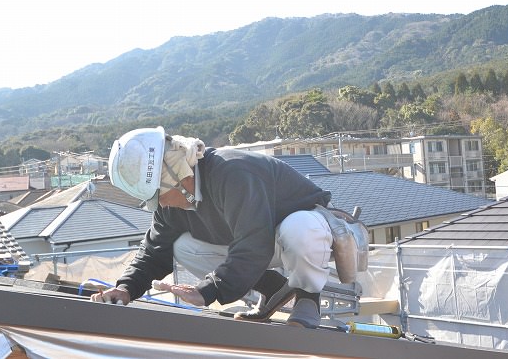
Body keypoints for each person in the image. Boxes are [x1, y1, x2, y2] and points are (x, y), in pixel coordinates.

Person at [91, 126, 334, 328]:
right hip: (257, 242)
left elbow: (254, 241)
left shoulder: (232, 172)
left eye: (158, 194)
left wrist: (208, 290)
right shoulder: (171, 205)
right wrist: (126, 288)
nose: (161, 203)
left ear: (177, 173)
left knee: (300, 228)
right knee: (182, 246)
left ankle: (307, 297)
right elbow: (154, 251)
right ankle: (273, 288)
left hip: (304, 231)